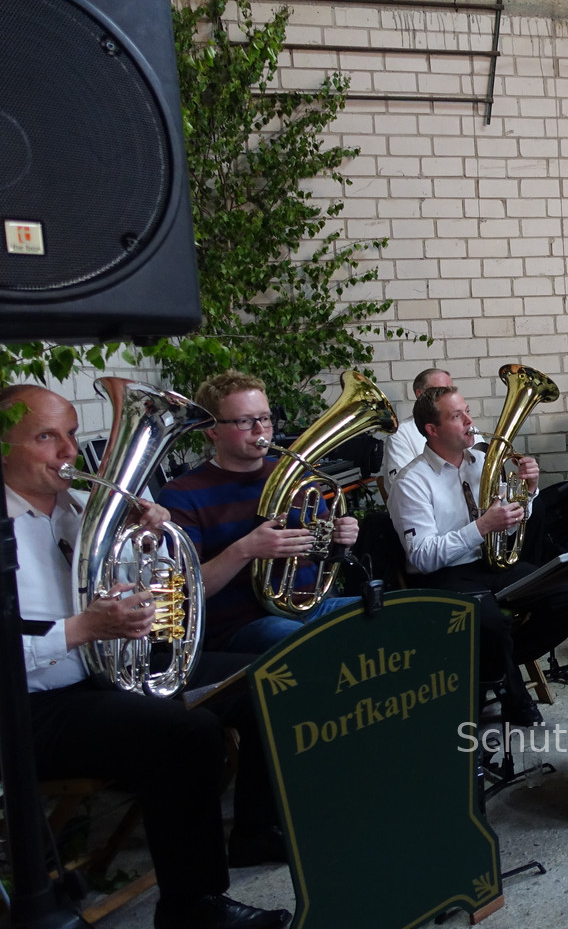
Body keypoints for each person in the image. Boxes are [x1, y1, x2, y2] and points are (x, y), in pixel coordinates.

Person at [3, 384, 291, 929]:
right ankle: (192, 908)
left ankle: (255, 831)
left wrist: (150, 541)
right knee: (186, 735)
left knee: (271, 678)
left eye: (71, 435)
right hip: (32, 704)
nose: (69, 452)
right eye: (46, 437)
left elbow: (146, 586)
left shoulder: (79, 508)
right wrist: (81, 629)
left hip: (106, 672)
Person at [385, 385, 568, 725]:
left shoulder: (482, 463)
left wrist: (528, 493)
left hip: (491, 564)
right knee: (492, 623)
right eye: (456, 416)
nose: (469, 421)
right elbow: (421, 557)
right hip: (444, 575)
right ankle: (510, 690)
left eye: (468, 411)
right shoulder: (411, 481)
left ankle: (491, 670)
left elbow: (511, 523)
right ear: (432, 429)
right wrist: (481, 527)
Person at [159, 371, 362, 654]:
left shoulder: (297, 476)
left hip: (313, 607)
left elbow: (324, 552)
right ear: (212, 430)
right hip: (242, 625)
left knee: (393, 616)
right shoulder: (181, 494)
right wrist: (246, 549)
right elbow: (182, 592)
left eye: (265, 418)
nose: (261, 430)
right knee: (307, 645)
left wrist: (341, 535)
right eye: (245, 421)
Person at [382, 367, 453, 488]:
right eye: (441, 390)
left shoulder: (462, 425)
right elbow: (402, 486)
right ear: (420, 394)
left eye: (451, 390)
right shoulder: (400, 434)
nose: (450, 396)